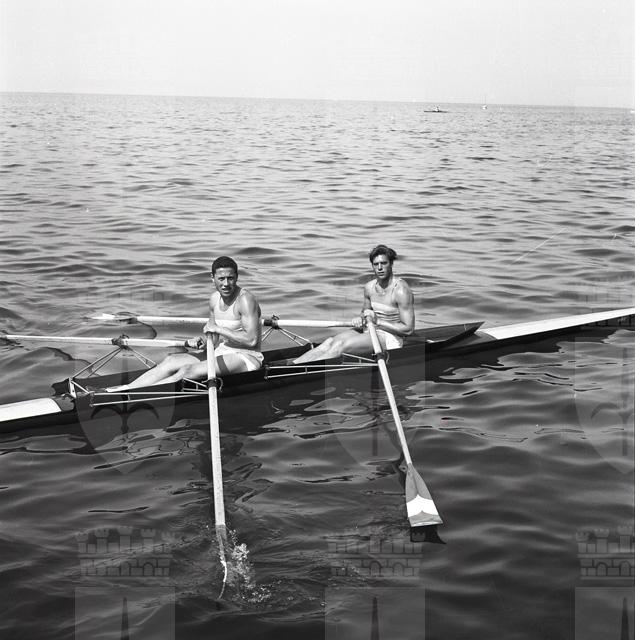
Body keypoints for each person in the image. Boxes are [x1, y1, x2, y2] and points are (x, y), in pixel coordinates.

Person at [107, 256, 263, 391]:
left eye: (230, 278)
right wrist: (203, 342)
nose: (226, 284)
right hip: (221, 351)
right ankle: (125, 390)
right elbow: (214, 340)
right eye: (221, 279)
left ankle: (144, 394)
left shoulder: (245, 300)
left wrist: (219, 329)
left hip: (246, 357)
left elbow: (251, 340)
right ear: (213, 278)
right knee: (171, 361)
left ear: (237, 277)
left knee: (187, 370)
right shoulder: (214, 299)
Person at [293, 245, 414, 363]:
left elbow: (408, 329)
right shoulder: (369, 287)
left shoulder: (401, 290)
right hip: (369, 329)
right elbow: (364, 312)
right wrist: (360, 318)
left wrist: (378, 321)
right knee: (329, 342)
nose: (380, 268)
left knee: (340, 345)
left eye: (384, 263)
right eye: (376, 264)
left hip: (390, 337)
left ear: (391, 263)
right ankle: (292, 366)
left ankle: (307, 371)